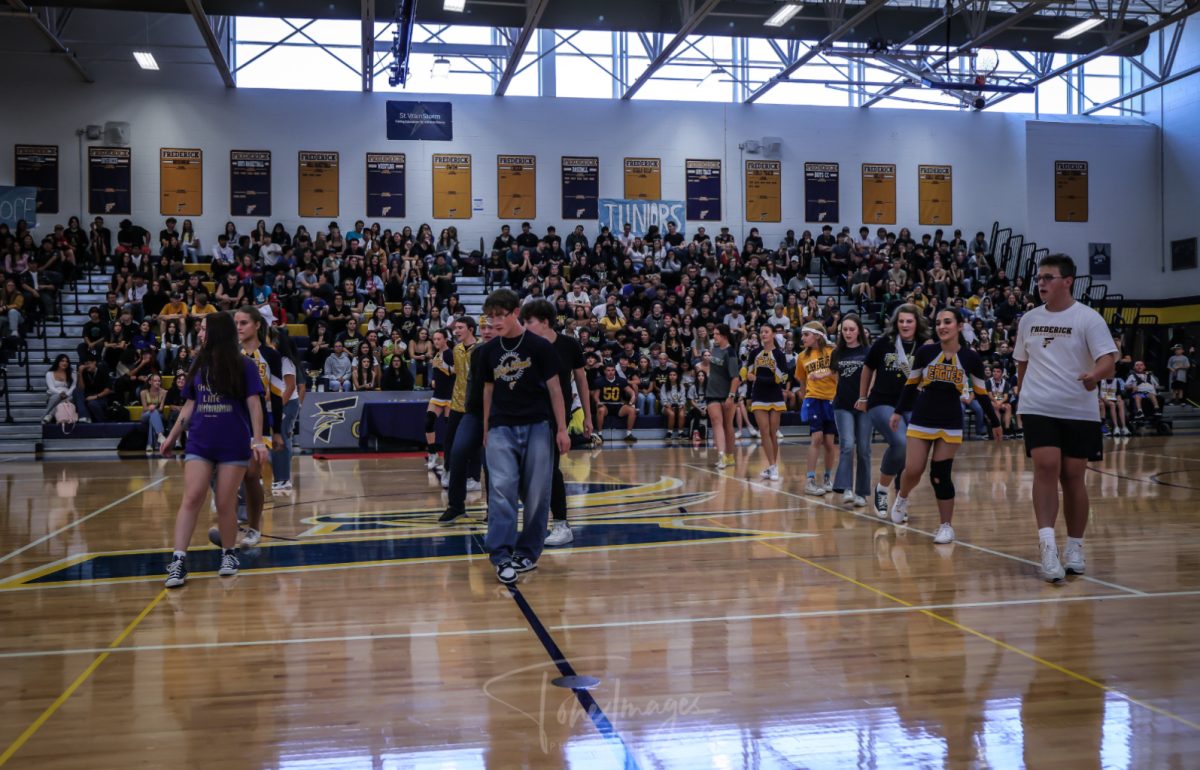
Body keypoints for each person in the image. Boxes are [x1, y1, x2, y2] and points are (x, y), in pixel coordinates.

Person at [1014, 254, 1117, 582]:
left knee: (1073, 476)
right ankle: (1047, 547)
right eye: (1039, 278)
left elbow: (1108, 361)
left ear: (1067, 281)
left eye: (1048, 277)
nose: (1041, 283)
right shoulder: (1028, 319)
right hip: (1038, 406)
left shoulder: (1089, 318)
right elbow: (1022, 363)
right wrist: (1021, 400)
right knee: (1046, 467)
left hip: (1078, 408)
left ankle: (1075, 546)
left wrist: (1093, 376)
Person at [160, 311, 269, 588]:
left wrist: (257, 440)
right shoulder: (199, 363)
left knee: (225, 502)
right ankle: (178, 560)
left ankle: (229, 554)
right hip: (200, 442)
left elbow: (255, 404)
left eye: (204, 328)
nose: (199, 333)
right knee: (192, 497)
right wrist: (172, 436)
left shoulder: (243, 365)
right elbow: (189, 406)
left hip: (233, 444)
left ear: (217, 332)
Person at [480, 289, 571, 585]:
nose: (494, 323)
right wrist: (485, 428)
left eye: (499, 316)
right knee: (502, 488)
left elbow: (556, 389)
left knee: (536, 493)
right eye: (490, 317)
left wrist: (561, 428)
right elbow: (488, 391)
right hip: (501, 426)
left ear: (515, 313)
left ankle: (528, 552)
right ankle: (501, 555)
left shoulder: (539, 347)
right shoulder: (488, 351)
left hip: (538, 425)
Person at [890, 308, 1002, 544]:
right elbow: (911, 385)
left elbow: (982, 393)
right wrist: (898, 411)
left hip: (951, 420)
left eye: (947, 322)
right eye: (938, 322)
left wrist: (994, 421)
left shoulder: (971, 358)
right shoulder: (926, 351)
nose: (942, 326)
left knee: (940, 475)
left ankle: (946, 526)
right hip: (923, 417)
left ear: (960, 326)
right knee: (913, 470)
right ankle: (902, 496)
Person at [522, 299, 592, 547]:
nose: (524, 326)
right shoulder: (526, 347)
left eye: (528, 321)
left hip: (556, 416)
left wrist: (587, 417)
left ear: (544, 322)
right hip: (528, 413)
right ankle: (536, 522)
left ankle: (561, 524)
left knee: (550, 469)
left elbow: (581, 381)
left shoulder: (568, 345)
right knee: (528, 471)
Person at [858, 305, 928, 518]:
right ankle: (881, 488)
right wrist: (863, 397)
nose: (905, 325)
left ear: (917, 323)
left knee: (911, 456)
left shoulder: (926, 346)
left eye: (909, 321)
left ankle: (900, 501)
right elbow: (868, 368)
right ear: (895, 323)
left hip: (913, 404)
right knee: (900, 442)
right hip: (882, 402)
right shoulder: (883, 343)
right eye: (901, 321)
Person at [232, 306, 284, 548]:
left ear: (257, 325)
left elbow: (275, 395)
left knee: (252, 475)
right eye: (236, 323)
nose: (239, 327)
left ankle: (254, 528)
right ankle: (230, 526)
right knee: (231, 477)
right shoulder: (232, 353)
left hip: (259, 422)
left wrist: (277, 430)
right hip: (232, 421)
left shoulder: (271, 356)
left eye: (243, 323)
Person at [439, 316, 494, 526]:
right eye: (484, 328)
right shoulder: (478, 352)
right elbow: (469, 382)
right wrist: (469, 407)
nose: (487, 331)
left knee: (490, 463)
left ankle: (493, 509)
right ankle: (456, 506)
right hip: (472, 412)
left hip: (496, 416)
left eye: (491, 327)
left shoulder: (503, 352)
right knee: (458, 452)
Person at [831, 315, 871, 507]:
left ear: (859, 331)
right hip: (842, 406)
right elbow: (837, 378)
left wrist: (866, 398)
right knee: (847, 445)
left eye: (851, 329)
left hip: (864, 406)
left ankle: (861, 492)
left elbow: (873, 377)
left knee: (863, 449)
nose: (848, 333)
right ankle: (846, 488)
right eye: (844, 330)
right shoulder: (837, 353)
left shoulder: (868, 351)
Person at [795, 321, 838, 496]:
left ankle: (828, 478)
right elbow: (802, 383)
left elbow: (838, 376)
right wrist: (806, 399)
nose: (803, 338)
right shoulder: (802, 357)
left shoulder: (832, 352)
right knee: (817, 438)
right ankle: (810, 481)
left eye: (806, 334)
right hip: (813, 400)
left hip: (831, 399)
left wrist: (827, 374)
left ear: (817, 336)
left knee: (829, 442)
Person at [440, 317, 479, 491]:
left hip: (474, 403)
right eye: (455, 328)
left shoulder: (481, 349)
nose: (456, 331)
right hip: (456, 402)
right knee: (449, 440)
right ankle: (448, 470)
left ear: (471, 329)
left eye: (460, 327)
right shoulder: (456, 349)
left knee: (474, 443)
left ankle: (474, 477)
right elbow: (457, 372)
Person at [746, 324, 789, 481]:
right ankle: (772, 466)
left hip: (775, 395)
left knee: (772, 432)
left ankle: (773, 466)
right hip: (758, 395)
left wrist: (759, 379)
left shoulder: (779, 355)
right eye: (761, 332)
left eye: (766, 332)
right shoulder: (754, 353)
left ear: (773, 335)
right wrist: (748, 392)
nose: (763, 334)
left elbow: (783, 378)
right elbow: (748, 374)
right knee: (763, 431)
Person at [270, 328, 304, 493]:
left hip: (288, 403)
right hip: (285, 403)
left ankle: (283, 479)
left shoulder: (285, 361)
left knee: (282, 438)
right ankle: (280, 477)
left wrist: (278, 406)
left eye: (274, 341)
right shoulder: (277, 360)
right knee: (282, 439)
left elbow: (290, 387)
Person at [705, 324, 742, 470]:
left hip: (728, 394)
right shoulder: (714, 349)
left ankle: (729, 455)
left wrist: (731, 396)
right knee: (716, 422)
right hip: (712, 393)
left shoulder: (731, 352)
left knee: (728, 425)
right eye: (713, 333)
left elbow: (735, 378)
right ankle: (721, 455)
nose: (714, 336)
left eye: (716, 334)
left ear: (724, 336)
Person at [424, 329, 455, 470]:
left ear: (445, 339)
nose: (436, 341)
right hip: (438, 394)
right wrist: (434, 380)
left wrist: (443, 366)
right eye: (434, 339)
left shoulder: (451, 353)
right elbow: (437, 372)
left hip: (451, 395)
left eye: (439, 339)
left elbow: (456, 371)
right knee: (428, 422)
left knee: (449, 428)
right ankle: (432, 453)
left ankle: (449, 459)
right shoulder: (437, 353)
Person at [593, 362, 638, 443]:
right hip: (605, 405)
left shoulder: (621, 380)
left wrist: (633, 397)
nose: (611, 372)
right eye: (608, 370)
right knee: (600, 410)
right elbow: (596, 396)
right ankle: (599, 434)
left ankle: (629, 434)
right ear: (604, 371)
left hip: (618, 405)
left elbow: (631, 392)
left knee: (632, 410)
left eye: (613, 370)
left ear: (615, 371)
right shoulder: (599, 381)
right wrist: (598, 402)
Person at [139, 373, 168, 451]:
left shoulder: (164, 392)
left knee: (153, 417)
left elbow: (161, 409)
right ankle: (160, 435)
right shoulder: (143, 392)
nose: (158, 382)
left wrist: (153, 408)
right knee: (152, 414)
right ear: (150, 382)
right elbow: (145, 408)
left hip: (159, 414)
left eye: (159, 381)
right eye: (155, 381)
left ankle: (150, 445)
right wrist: (151, 408)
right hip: (145, 415)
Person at [42, 355, 75, 423]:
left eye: (66, 361)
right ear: (57, 362)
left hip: (68, 394)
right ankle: (45, 416)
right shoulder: (49, 373)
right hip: (54, 393)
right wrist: (60, 393)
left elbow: (73, 386)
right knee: (57, 397)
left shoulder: (72, 373)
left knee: (70, 398)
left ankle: (49, 416)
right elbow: (51, 387)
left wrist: (67, 394)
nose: (65, 363)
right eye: (62, 361)